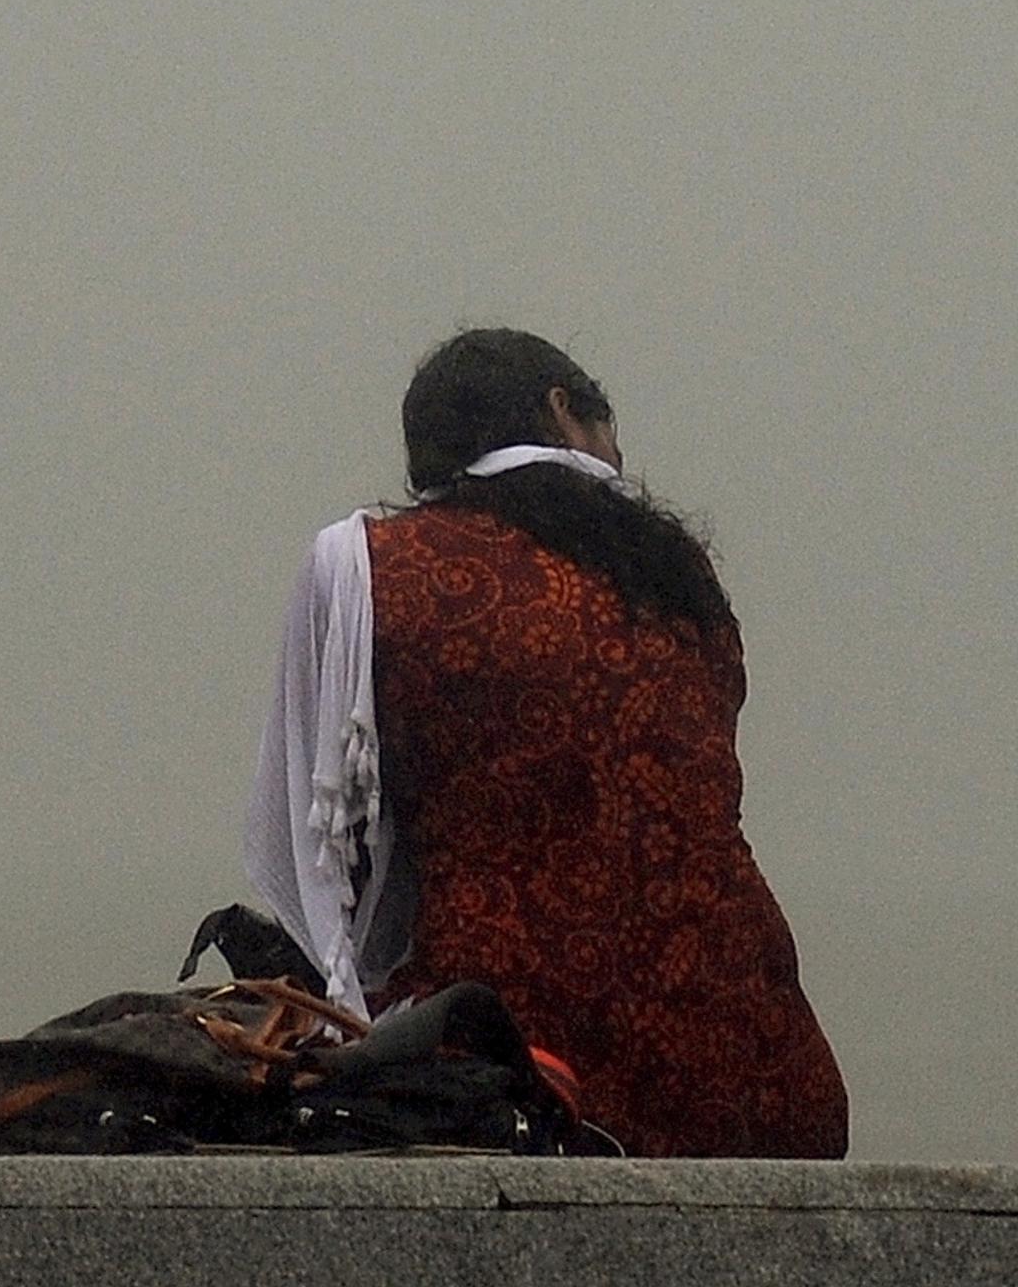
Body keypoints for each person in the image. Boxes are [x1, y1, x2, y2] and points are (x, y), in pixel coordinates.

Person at [248, 327, 848, 1156]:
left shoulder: (368, 564)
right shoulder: (675, 572)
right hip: (748, 1055)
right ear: (564, 412)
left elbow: (313, 847)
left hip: (515, 1060)